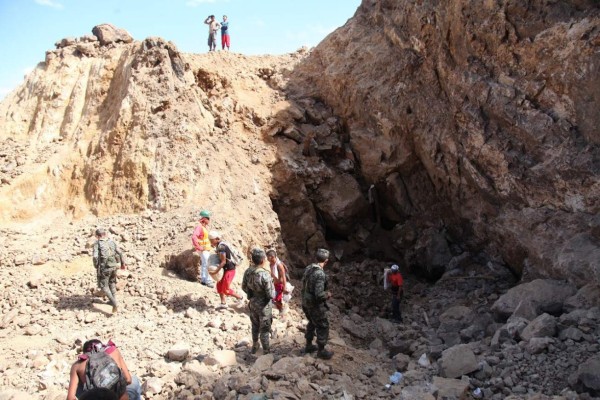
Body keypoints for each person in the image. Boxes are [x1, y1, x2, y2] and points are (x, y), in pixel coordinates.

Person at [67, 339, 141, 400]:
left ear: (85, 353)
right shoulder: (113, 351)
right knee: (134, 381)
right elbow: (128, 379)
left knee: (79, 387)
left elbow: (70, 398)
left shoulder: (77, 365)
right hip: (120, 396)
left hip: (95, 397)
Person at [242, 248, 276, 354]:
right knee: (265, 328)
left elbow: (243, 287)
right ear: (262, 261)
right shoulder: (265, 274)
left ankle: (255, 345)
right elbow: (271, 294)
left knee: (255, 325)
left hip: (253, 303)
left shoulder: (248, 271)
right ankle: (266, 349)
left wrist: (252, 294)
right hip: (264, 306)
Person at [301, 248, 334, 359]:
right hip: (314, 305)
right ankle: (321, 350)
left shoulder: (309, 268)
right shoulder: (320, 274)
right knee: (323, 325)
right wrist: (328, 294)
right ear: (326, 261)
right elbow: (319, 294)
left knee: (311, 322)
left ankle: (309, 345)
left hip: (305, 302)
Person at [92, 228, 126, 314]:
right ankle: (112, 301)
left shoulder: (97, 243)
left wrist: (96, 266)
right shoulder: (112, 241)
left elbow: (95, 257)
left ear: (97, 236)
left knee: (104, 286)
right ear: (105, 234)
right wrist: (122, 264)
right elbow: (120, 253)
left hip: (105, 268)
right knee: (112, 283)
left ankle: (114, 304)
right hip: (114, 266)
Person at [208, 230, 244, 308]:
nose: (211, 242)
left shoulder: (221, 247)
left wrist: (215, 271)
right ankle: (223, 303)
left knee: (226, 289)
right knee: (219, 285)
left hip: (229, 270)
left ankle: (240, 298)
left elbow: (223, 261)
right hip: (225, 269)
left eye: (211, 240)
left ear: (217, 239)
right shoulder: (220, 245)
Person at [192, 210, 214, 288]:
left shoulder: (203, 227)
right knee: (208, 264)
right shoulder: (199, 227)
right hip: (203, 249)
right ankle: (208, 281)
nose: (209, 220)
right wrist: (199, 247)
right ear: (204, 218)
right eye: (208, 218)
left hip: (205, 249)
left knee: (204, 264)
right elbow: (194, 237)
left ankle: (204, 280)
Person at [266, 249, 288, 315]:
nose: (267, 259)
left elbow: (284, 277)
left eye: (268, 257)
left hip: (280, 285)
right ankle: (280, 310)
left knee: (277, 299)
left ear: (272, 257)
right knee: (274, 299)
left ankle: (283, 309)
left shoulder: (279, 265)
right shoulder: (271, 264)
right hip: (274, 285)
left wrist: (284, 287)